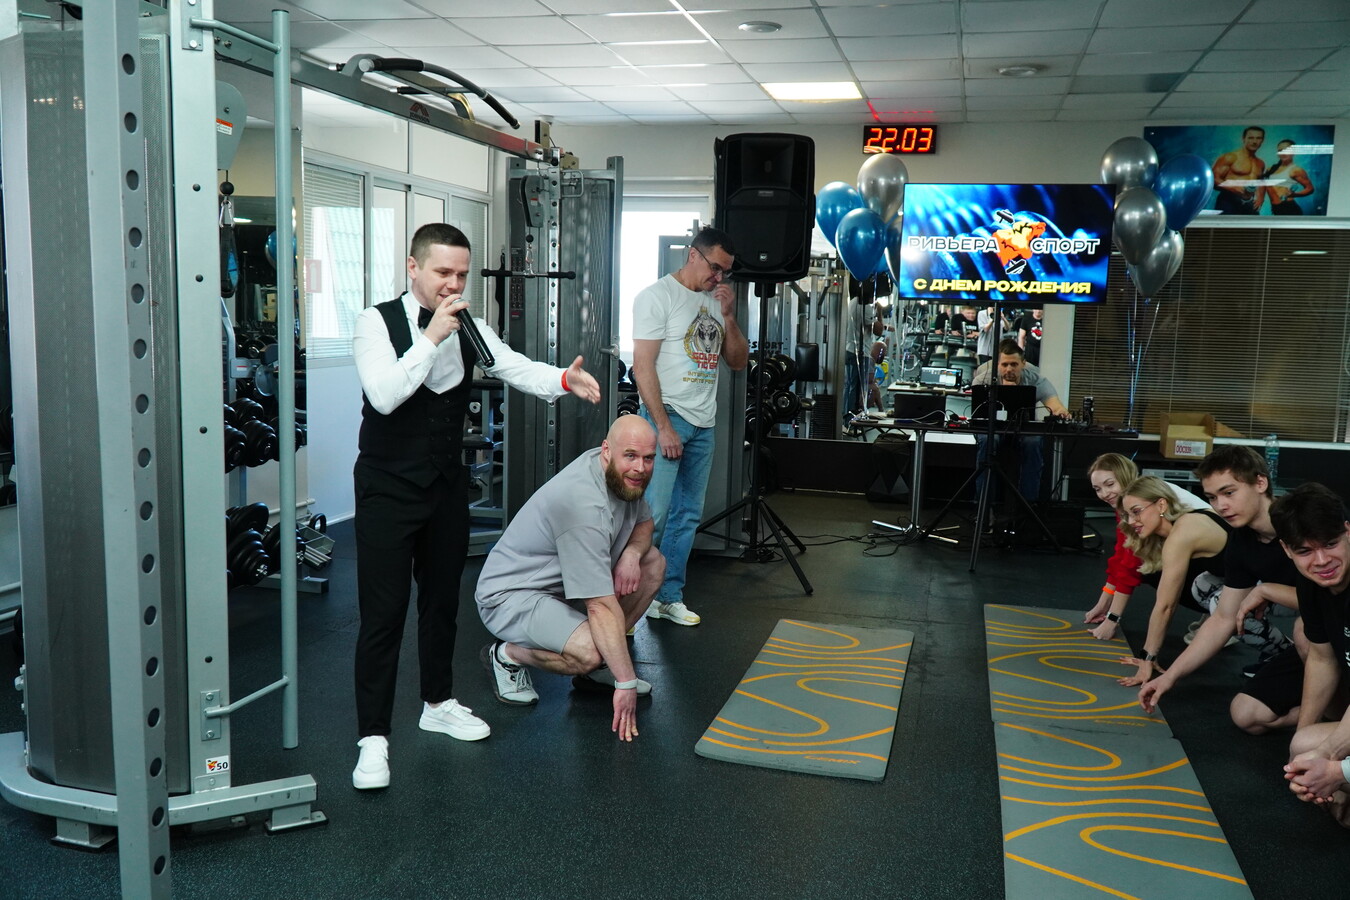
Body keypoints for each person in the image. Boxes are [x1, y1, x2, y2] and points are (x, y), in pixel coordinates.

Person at [349, 222, 601, 790]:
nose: (454, 284)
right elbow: (384, 396)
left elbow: (512, 366)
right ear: (412, 268)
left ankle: (438, 703)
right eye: (443, 272)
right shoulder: (375, 322)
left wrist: (563, 378)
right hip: (387, 489)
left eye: (462, 274)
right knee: (383, 615)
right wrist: (431, 337)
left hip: (444, 487)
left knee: (442, 604)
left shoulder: (472, 327)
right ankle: (373, 737)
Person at [477, 416, 664, 742]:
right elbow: (600, 606)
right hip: (513, 595)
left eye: (648, 458)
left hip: (562, 587)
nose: (640, 468)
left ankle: (598, 667)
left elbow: (645, 523)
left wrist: (632, 555)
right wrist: (626, 682)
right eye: (631, 456)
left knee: (653, 563)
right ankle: (506, 655)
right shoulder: (583, 504)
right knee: (589, 651)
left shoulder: (623, 478)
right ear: (607, 451)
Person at [1136, 446, 1300, 733]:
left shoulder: (1304, 517)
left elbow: (1332, 599)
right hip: (1320, 630)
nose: (1221, 505)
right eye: (1212, 497)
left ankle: (1319, 726)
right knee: (1246, 715)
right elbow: (1224, 618)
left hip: (1334, 624)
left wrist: (1267, 591)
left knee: (1306, 631)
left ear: (1260, 483)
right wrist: (1169, 677)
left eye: (1229, 492)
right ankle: (1333, 710)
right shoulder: (1240, 541)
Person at [631, 226, 748, 626]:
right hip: (667, 417)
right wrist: (663, 427)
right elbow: (642, 366)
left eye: (725, 271)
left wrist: (729, 317)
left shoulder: (716, 302)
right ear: (693, 255)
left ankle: (667, 597)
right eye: (715, 267)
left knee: (686, 517)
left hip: (703, 423)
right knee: (652, 517)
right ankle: (624, 605)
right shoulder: (657, 296)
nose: (719, 277)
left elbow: (738, 362)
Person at [1272, 483, 1350, 822]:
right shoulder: (1311, 581)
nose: (1322, 561)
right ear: (1286, 550)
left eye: (1331, 544)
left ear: (1348, 531)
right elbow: (1322, 658)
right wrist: (1299, 757)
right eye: (1305, 551)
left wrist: (1330, 761)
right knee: (1304, 746)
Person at [1112, 477, 1232, 687]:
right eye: (1127, 515)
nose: (1131, 521)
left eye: (1137, 511)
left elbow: (1166, 606)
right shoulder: (1175, 528)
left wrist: (1147, 658)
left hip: (1268, 588)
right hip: (1238, 582)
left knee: (1200, 592)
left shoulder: (1184, 532)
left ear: (1161, 505)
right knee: (1154, 571)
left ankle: (1281, 653)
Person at [1082, 454, 1207, 642]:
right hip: (1197, 552)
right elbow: (1121, 555)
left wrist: (1112, 620)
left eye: (1110, 484)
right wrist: (1103, 603)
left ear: (1125, 476)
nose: (1105, 494)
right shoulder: (1127, 502)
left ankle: (1220, 610)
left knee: (1146, 567)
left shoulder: (1142, 499)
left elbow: (1131, 564)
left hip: (1219, 561)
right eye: (1097, 489)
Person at [968, 339, 1069, 502]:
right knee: (987, 439)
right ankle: (985, 505)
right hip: (993, 429)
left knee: (1033, 442)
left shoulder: (1036, 380)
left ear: (1023, 363)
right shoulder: (982, 380)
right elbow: (977, 416)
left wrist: (1061, 412)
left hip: (1023, 430)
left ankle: (1027, 504)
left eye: (1014, 364)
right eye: (1004, 364)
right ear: (997, 364)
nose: (1009, 369)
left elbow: (1055, 406)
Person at [1213, 126, 1266, 215]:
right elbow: (1214, 179)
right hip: (1228, 201)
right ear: (1243, 139)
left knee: (1252, 224)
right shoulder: (1231, 157)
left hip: (1248, 203)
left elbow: (1261, 181)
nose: (1254, 141)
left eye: (1258, 138)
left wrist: (1261, 197)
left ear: (1262, 140)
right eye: (1251, 138)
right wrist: (1234, 187)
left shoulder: (1260, 163)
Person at [1256, 139, 1315, 215]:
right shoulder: (1271, 169)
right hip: (1275, 208)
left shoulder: (1296, 170)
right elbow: (1263, 183)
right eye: (1280, 150)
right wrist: (1260, 198)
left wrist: (1295, 194)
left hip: (1289, 208)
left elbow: (1310, 189)